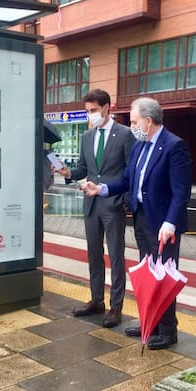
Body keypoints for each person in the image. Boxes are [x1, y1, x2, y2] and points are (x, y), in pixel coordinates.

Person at [81, 96, 192, 349]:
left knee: (163, 277)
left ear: (148, 121)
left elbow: (181, 192)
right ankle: (150, 323)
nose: (131, 127)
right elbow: (127, 180)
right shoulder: (140, 146)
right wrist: (101, 189)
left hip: (163, 226)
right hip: (141, 219)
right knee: (148, 275)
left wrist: (170, 223)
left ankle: (168, 330)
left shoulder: (174, 146)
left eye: (133, 122)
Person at [58, 89, 135, 328]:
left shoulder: (125, 134)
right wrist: (68, 173)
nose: (89, 115)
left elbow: (130, 171)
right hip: (91, 204)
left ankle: (116, 307)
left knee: (116, 256)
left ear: (106, 108)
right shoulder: (87, 136)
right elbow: (84, 168)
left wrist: (123, 200)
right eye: (87, 111)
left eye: (93, 110)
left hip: (113, 204)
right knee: (93, 254)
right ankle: (96, 300)